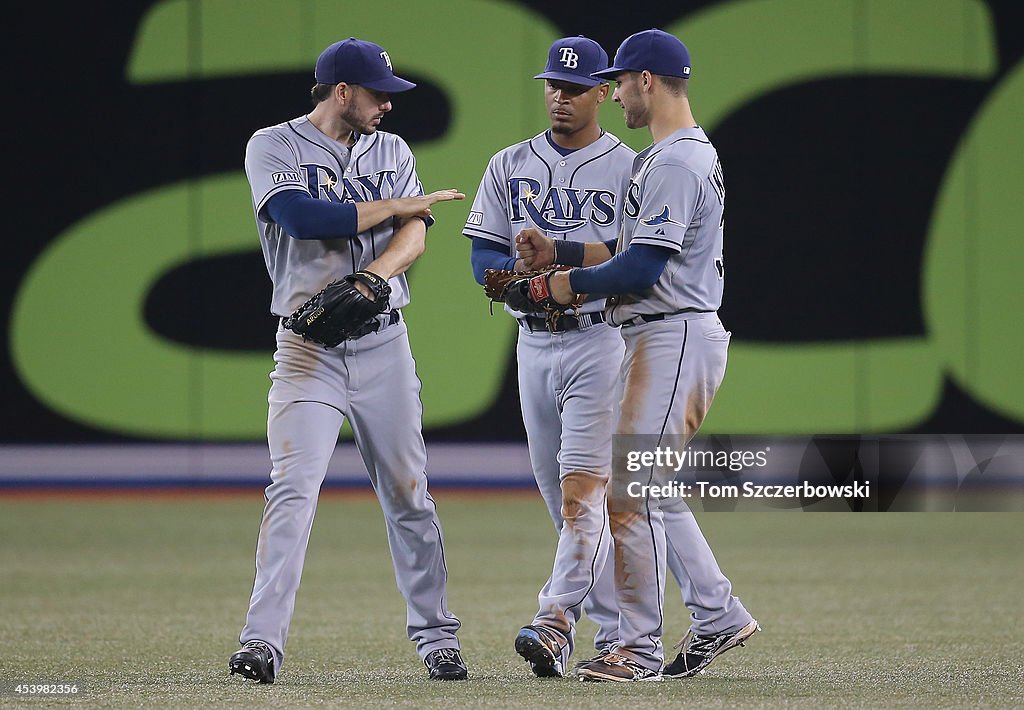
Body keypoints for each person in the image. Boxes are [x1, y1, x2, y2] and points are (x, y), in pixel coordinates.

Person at [466, 35, 754, 681]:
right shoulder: (671, 156)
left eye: (620, 81)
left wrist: (559, 285)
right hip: (660, 332)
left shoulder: (672, 161)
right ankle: (717, 612)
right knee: (645, 491)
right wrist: (562, 255)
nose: (617, 90)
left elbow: (644, 265)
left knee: (627, 495)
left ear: (644, 80)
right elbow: (625, 250)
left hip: (670, 329)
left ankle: (637, 648)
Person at [229, 37, 469, 684]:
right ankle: (261, 643)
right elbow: (300, 217)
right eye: (377, 93)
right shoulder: (273, 145)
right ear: (341, 91)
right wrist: (392, 207)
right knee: (293, 490)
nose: (388, 104)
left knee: (408, 493)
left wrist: (375, 279)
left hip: (383, 342)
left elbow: (417, 231)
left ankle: (437, 639)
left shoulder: (391, 149)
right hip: (308, 349)